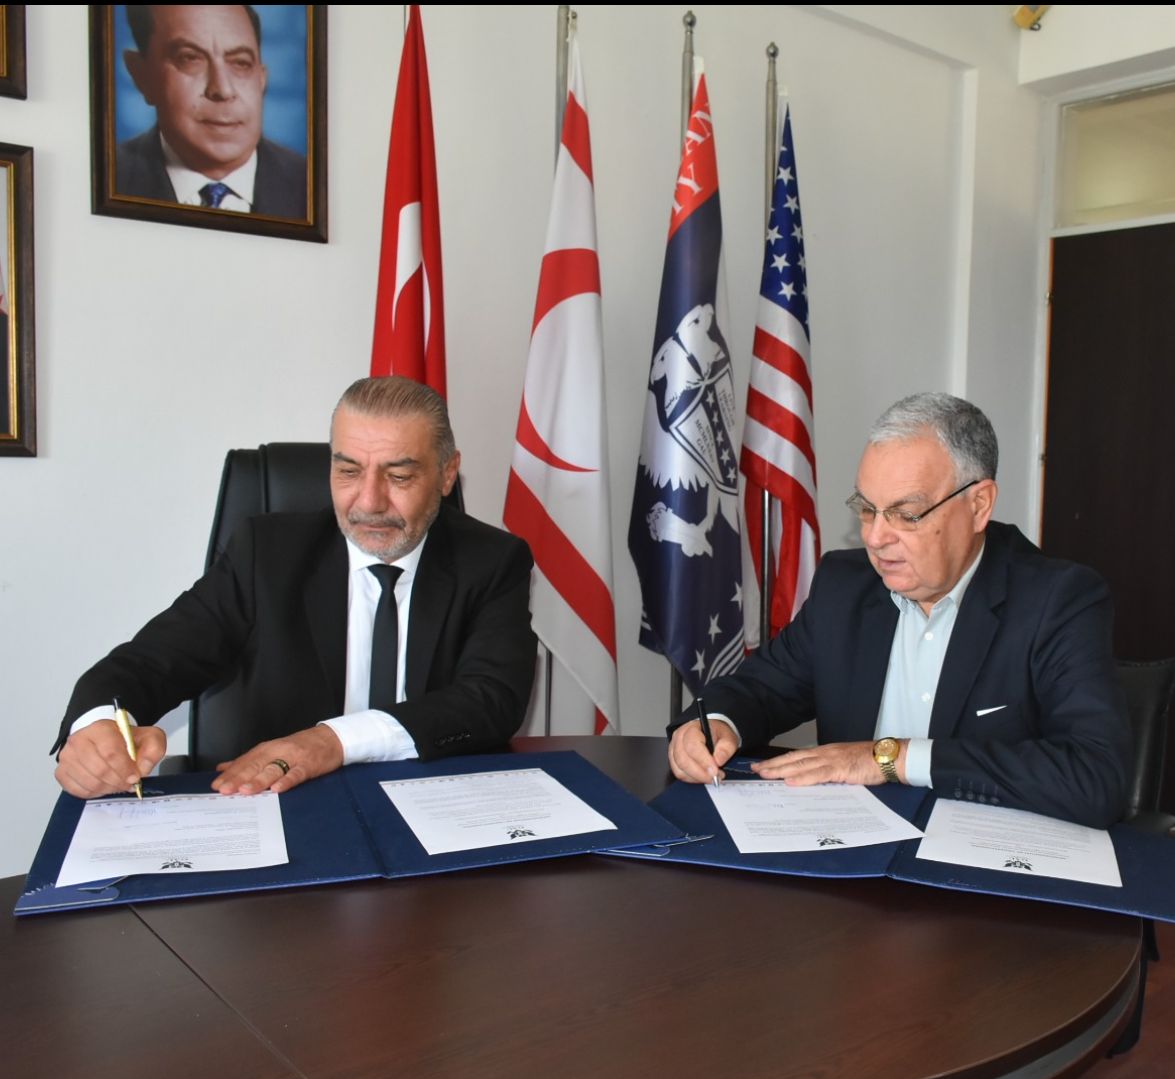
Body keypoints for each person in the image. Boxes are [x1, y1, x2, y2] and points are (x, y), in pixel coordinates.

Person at [53, 376, 538, 798]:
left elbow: (492, 699)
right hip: (286, 806)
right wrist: (98, 726)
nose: (369, 501)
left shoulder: (493, 561)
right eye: (348, 471)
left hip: (436, 802)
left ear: (447, 473)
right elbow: (151, 661)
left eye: (399, 475)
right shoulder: (266, 554)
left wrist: (330, 741)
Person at [668, 392, 1132, 828]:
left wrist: (889, 758)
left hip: (983, 862)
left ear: (979, 504)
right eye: (867, 509)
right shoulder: (844, 587)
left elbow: (1095, 777)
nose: (875, 537)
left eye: (907, 515)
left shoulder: (1057, 600)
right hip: (850, 853)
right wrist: (714, 725)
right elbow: (760, 689)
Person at [116, 5, 307, 216]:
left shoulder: (312, 188)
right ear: (141, 75)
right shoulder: (109, 178)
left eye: (241, 63)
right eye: (190, 59)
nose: (223, 90)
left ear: (262, 81)